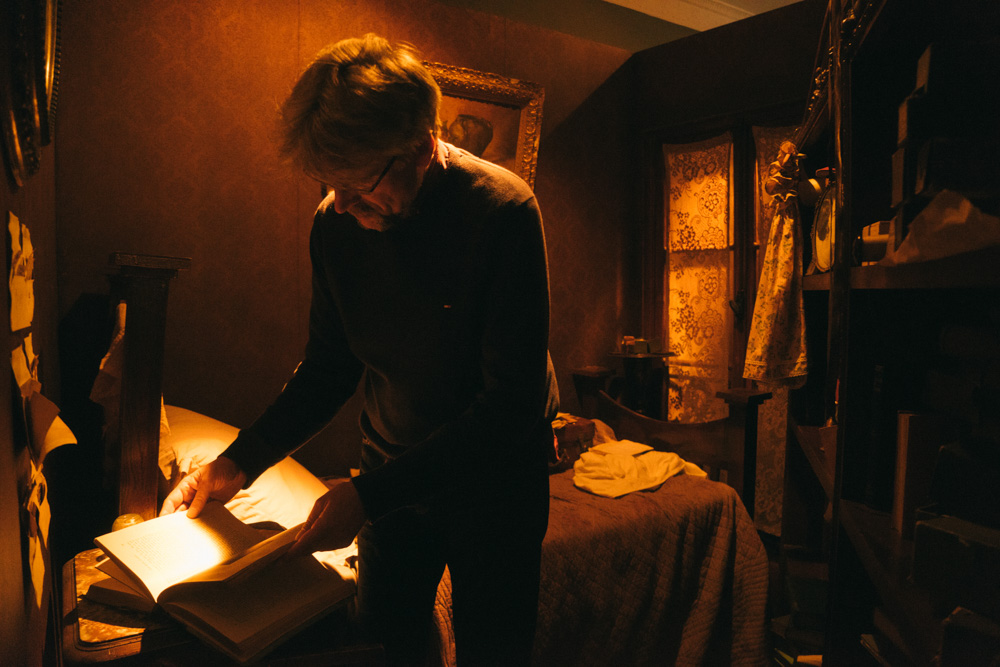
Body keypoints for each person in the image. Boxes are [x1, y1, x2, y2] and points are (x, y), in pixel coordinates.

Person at [160, 33, 559, 667]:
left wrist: (367, 496)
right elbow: (329, 367)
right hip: (390, 472)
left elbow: (510, 409)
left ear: (420, 146)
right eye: (329, 183)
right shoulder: (335, 225)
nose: (340, 204)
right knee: (383, 647)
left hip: (496, 486)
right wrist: (237, 462)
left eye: (357, 183)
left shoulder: (504, 213)